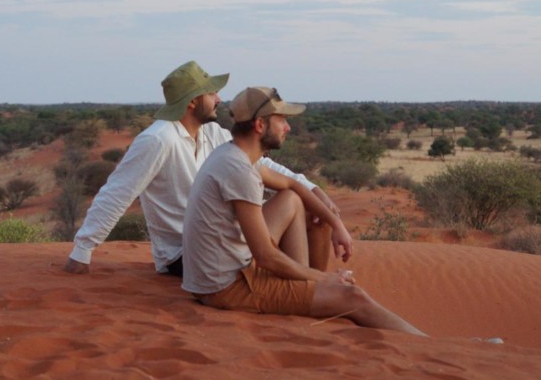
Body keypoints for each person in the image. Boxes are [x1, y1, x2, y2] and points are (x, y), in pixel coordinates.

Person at [181, 87, 425, 336]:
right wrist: (324, 279)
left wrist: (336, 224)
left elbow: (292, 184)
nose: (287, 128)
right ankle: (426, 343)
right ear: (259, 125)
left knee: (292, 199)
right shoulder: (238, 170)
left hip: (226, 268)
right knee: (354, 297)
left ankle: (308, 287)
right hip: (225, 287)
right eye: (282, 120)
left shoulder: (235, 154)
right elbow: (266, 257)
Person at [64, 61, 342, 276]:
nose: (219, 99)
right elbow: (117, 193)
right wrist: (83, 250)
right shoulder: (158, 139)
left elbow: (261, 164)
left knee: (313, 215)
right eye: (211, 93)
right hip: (184, 255)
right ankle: (311, 289)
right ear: (192, 101)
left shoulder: (213, 134)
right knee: (294, 201)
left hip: (224, 236)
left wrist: (314, 188)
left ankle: (312, 288)